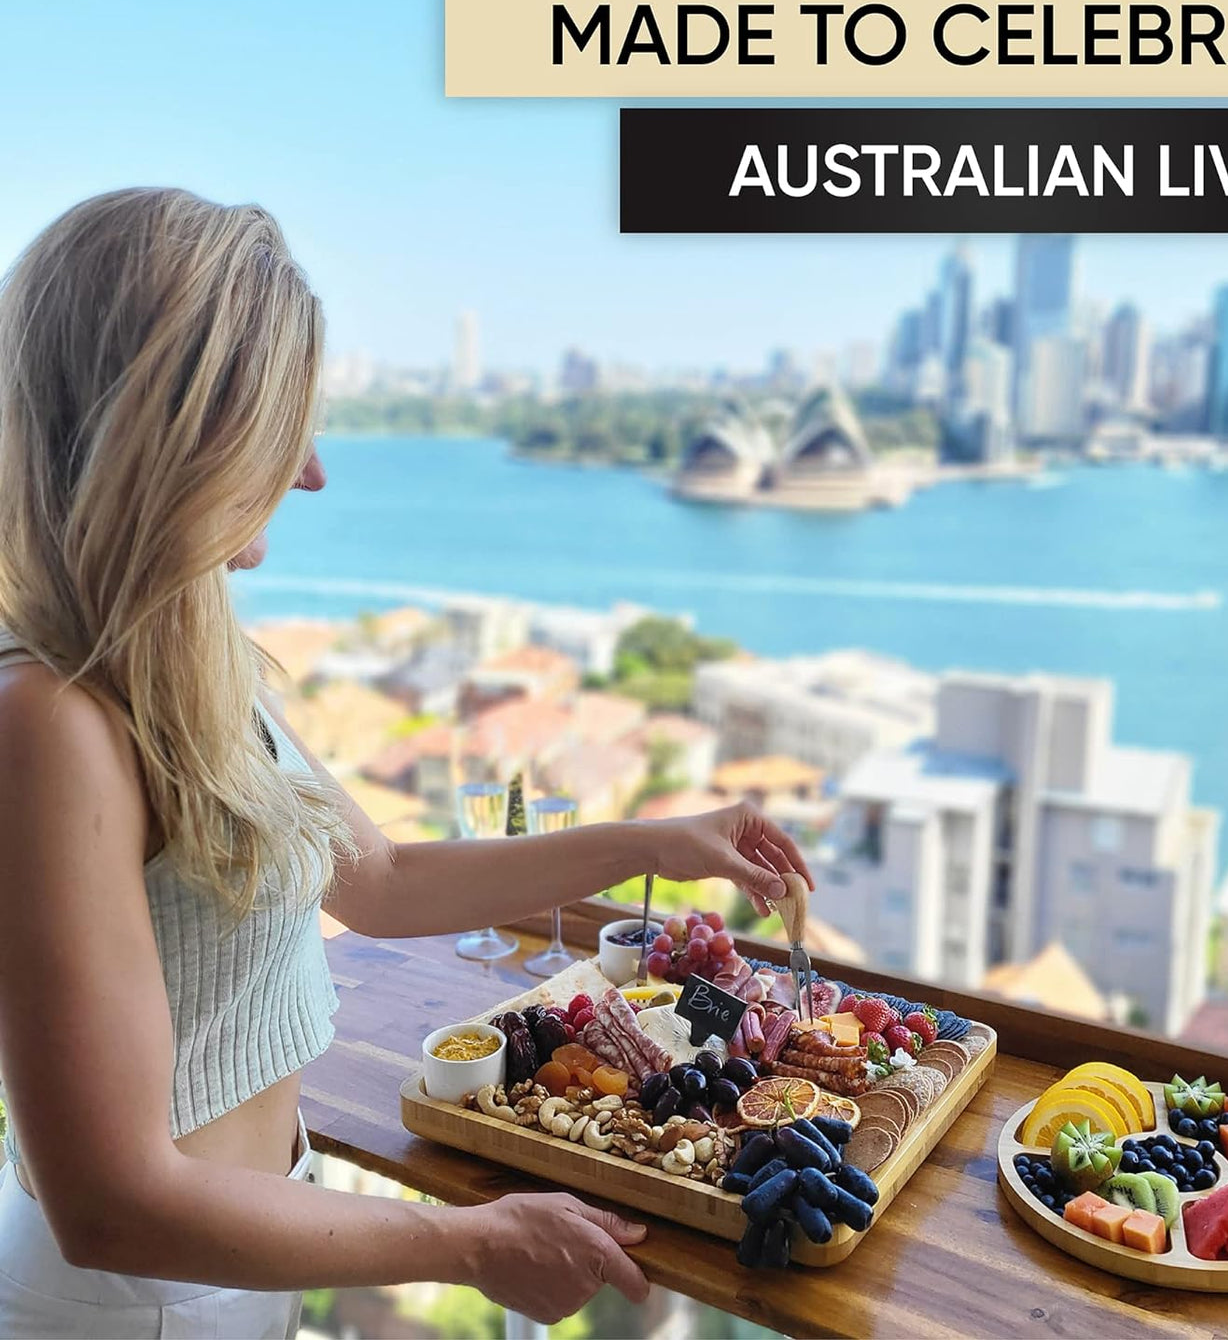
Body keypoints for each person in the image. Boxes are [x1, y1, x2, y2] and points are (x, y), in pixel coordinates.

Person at [0, 188, 813, 1339]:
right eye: (283, 425)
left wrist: (654, 841)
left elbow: (379, 882)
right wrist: (465, 1241)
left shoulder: (184, 650)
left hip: (242, 1253)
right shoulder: (49, 718)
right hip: (134, 1302)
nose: (314, 469)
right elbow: (109, 1201)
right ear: (174, 431)